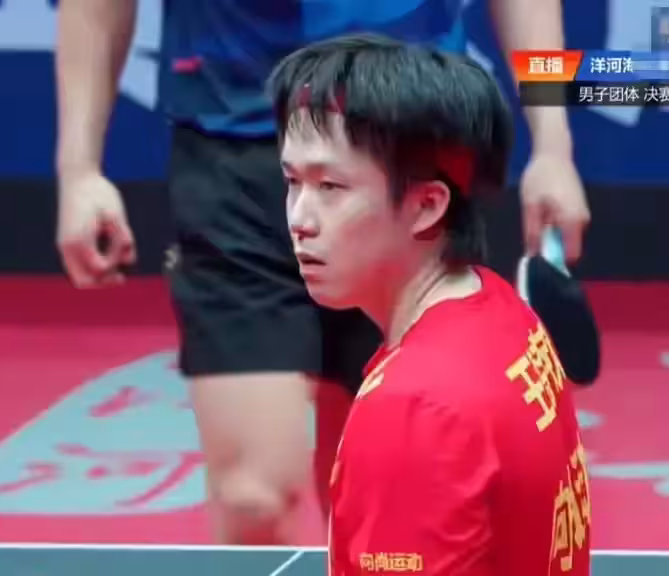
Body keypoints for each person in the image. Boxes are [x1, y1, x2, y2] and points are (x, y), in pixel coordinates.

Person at [54, 0, 592, 545]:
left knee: (381, 496)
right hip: (234, 153)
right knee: (253, 498)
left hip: (405, 151)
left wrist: (554, 146)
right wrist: (79, 169)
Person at [270, 34, 591, 575]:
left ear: (426, 205)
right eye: (292, 181)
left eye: (330, 187)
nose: (299, 219)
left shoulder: (414, 409)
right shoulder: (502, 309)